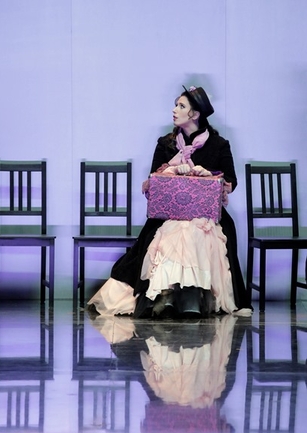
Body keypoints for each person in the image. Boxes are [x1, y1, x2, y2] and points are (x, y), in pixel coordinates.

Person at [88, 85, 252, 318]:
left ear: (194, 114)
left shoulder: (219, 145)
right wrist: (172, 170)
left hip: (205, 214)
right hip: (170, 213)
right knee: (173, 232)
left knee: (194, 232)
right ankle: (165, 296)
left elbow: (231, 180)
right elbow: (153, 179)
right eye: (176, 105)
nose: (175, 110)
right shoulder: (166, 143)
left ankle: (190, 298)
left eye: (181, 106)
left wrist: (210, 176)